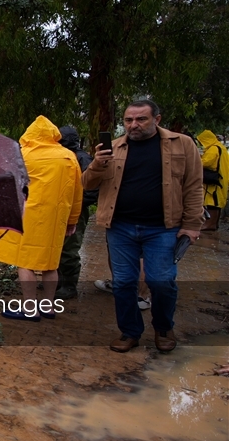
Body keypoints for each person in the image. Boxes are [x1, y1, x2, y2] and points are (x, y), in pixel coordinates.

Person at [82, 100, 203, 353]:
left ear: (156, 119)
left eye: (141, 119)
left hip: (163, 228)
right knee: (124, 282)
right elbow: (87, 184)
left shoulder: (182, 144)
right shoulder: (114, 146)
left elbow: (193, 186)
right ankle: (130, 331)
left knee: (161, 281)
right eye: (128, 120)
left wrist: (192, 225)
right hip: (121, 227)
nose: (133, 125)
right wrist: (97, 164)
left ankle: (163, 327)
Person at [0, 116, 83, 320]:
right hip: (55, 219)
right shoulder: (68, 157)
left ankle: (29, 309)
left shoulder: (21, 154)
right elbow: (77, 192)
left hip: (27, 216)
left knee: (26, 262)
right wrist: (73, 220)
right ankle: (49, 307)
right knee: (51, 263)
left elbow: (8, 185)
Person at [56, 126, 99, 299]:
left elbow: (92, 189)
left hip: (76, 212)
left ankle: (69, 285)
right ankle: (57, 280)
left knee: (69, 248)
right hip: (59, 210)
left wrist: (75, 206)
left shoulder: (81, 159)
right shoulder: (61, 156)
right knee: (57, 246)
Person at [197, 129, 228, 231]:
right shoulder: (220, 147)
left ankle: (210, 224)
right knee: (217, 202)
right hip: (221, 178)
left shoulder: (213, 149)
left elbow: (205, 162)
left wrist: (197, 159)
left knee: (212, 202)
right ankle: (214, 224)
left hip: (214, 181)